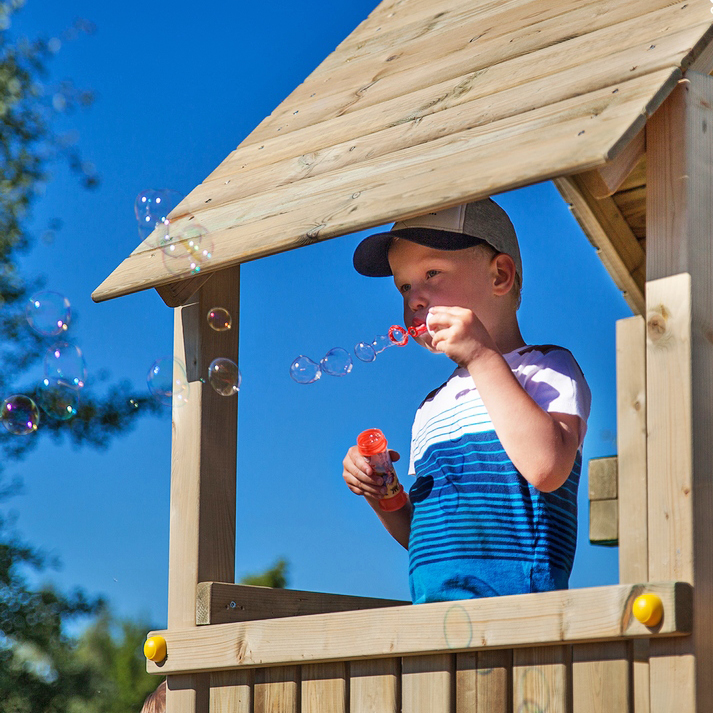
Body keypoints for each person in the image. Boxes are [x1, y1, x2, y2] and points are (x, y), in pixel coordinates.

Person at [342, 198, 591, 603]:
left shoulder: (546, 367)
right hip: (435, 618)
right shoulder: (431, 408)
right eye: (404, 286)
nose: (414, 300)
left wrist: (480, 355)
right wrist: (380, 490)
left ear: (500, 276)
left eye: (432, 273)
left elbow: (547, 469)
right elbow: (422, 536)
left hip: (522, 616)